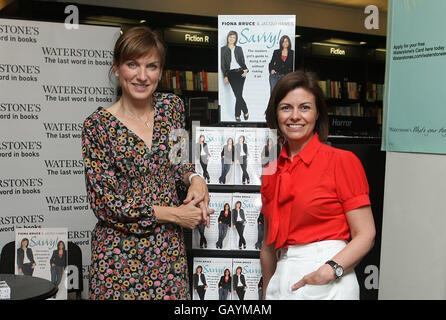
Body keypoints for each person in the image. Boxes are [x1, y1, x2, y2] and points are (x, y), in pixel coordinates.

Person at [81, 26, 213, 300]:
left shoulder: (171, 108)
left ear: (160, 71)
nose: (142, 76)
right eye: (132, 64)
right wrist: (175, 214)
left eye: (151, 66)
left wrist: (195, 179)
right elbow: (105, 204)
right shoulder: (97, 126)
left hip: (167, 252)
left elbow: (179, 164)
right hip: (118, 257)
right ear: (116, 68)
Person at [260, 70, 375, 300]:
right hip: (282, 277)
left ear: (317, 113)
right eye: (286, 108)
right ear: (275, 114)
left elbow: (366, 234)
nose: (295, 116)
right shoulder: (271, 171)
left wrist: (330, 269)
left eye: (304, 107)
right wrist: (267, 290)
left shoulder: (341, 161)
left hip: (326, 275)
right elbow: (268, 245)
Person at [221, 30, 249, 122]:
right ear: (227, 38)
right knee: (238, 95)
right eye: (230, 37)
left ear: (236, 39)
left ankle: (237, 115)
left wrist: (246, 70)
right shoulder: (223, 49)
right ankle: (245, 110)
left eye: (234, 37)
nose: (232, 38)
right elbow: (223, 64)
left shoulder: (239, 49)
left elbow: (242, 61)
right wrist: (225, 75)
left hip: (240, 72)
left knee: (238, 94)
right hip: (231, 74)